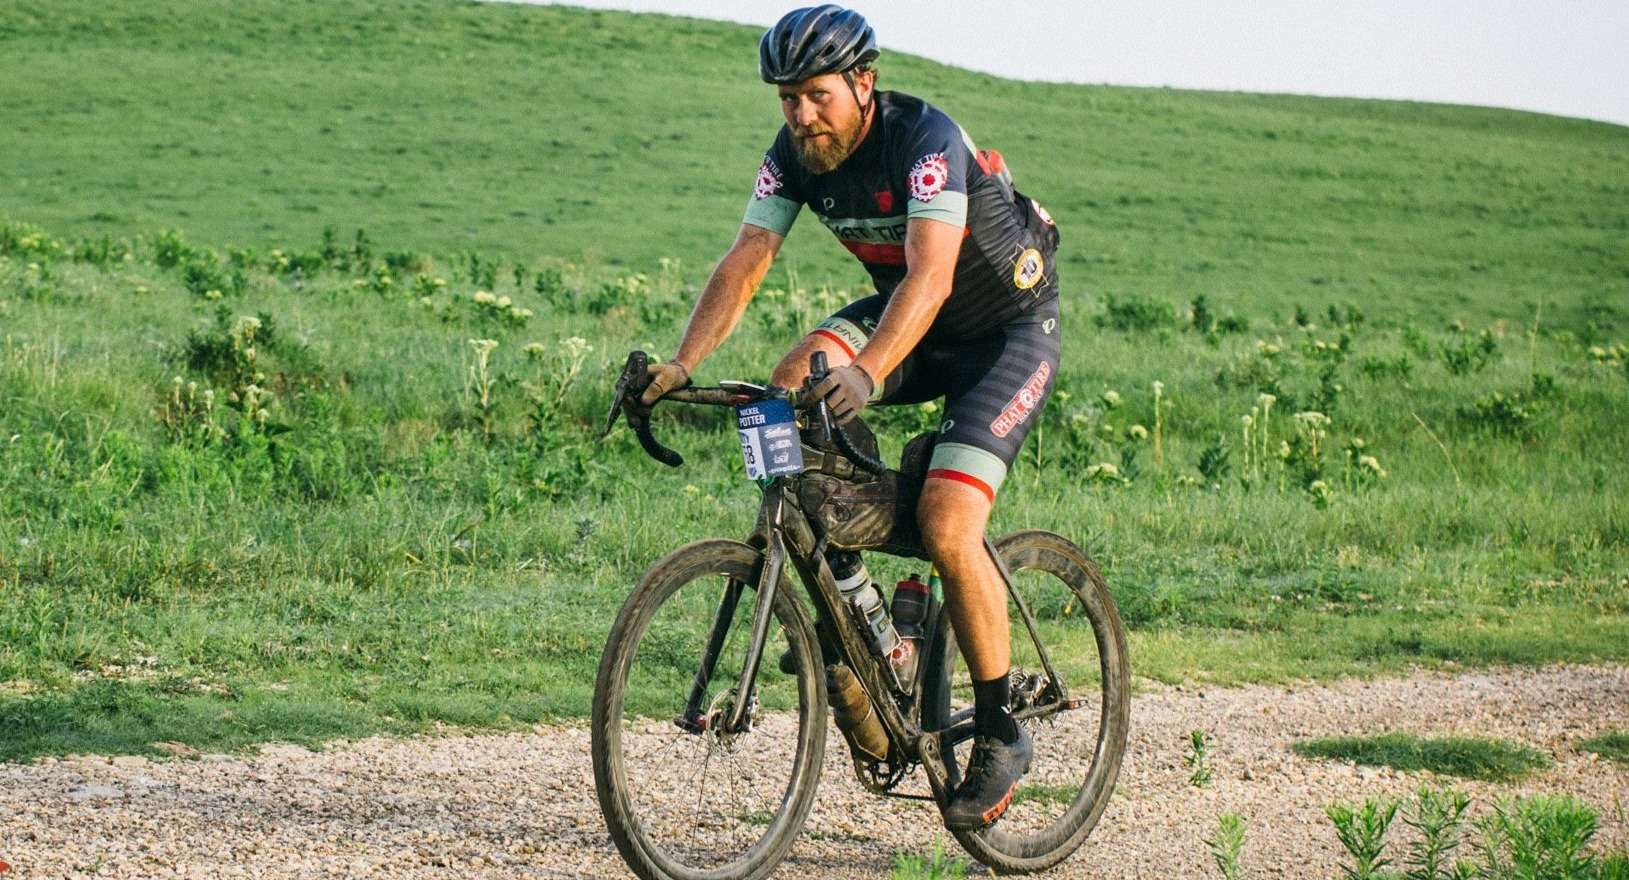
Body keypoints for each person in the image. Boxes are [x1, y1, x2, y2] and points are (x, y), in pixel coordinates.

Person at [637, 4, 1062, 832]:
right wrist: (682, 364)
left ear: (863, 83)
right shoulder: (791, 155)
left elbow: (932, 276)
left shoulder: (924, 140)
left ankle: (1000, 730)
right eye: (786, 99)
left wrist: (868, 371)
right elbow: (748, 255)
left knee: (946, 520)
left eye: (815, 96)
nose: (800, 115)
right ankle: (859, 592)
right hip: (911, 319)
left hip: (1001, 332)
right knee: (787, 382)